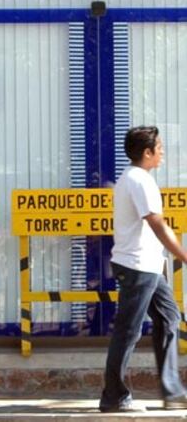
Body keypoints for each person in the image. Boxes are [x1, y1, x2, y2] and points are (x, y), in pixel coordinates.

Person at [99, 125, 187, 412]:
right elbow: (157, 223)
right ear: (146, 152)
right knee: (128, 330)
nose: (162, 153)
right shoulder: (139, 180)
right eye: (159, 148)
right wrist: (183, 255)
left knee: (169, 318)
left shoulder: (132, 178)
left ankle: (172, 392)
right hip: (138, 266)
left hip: (146, 264)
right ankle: (114, 396)